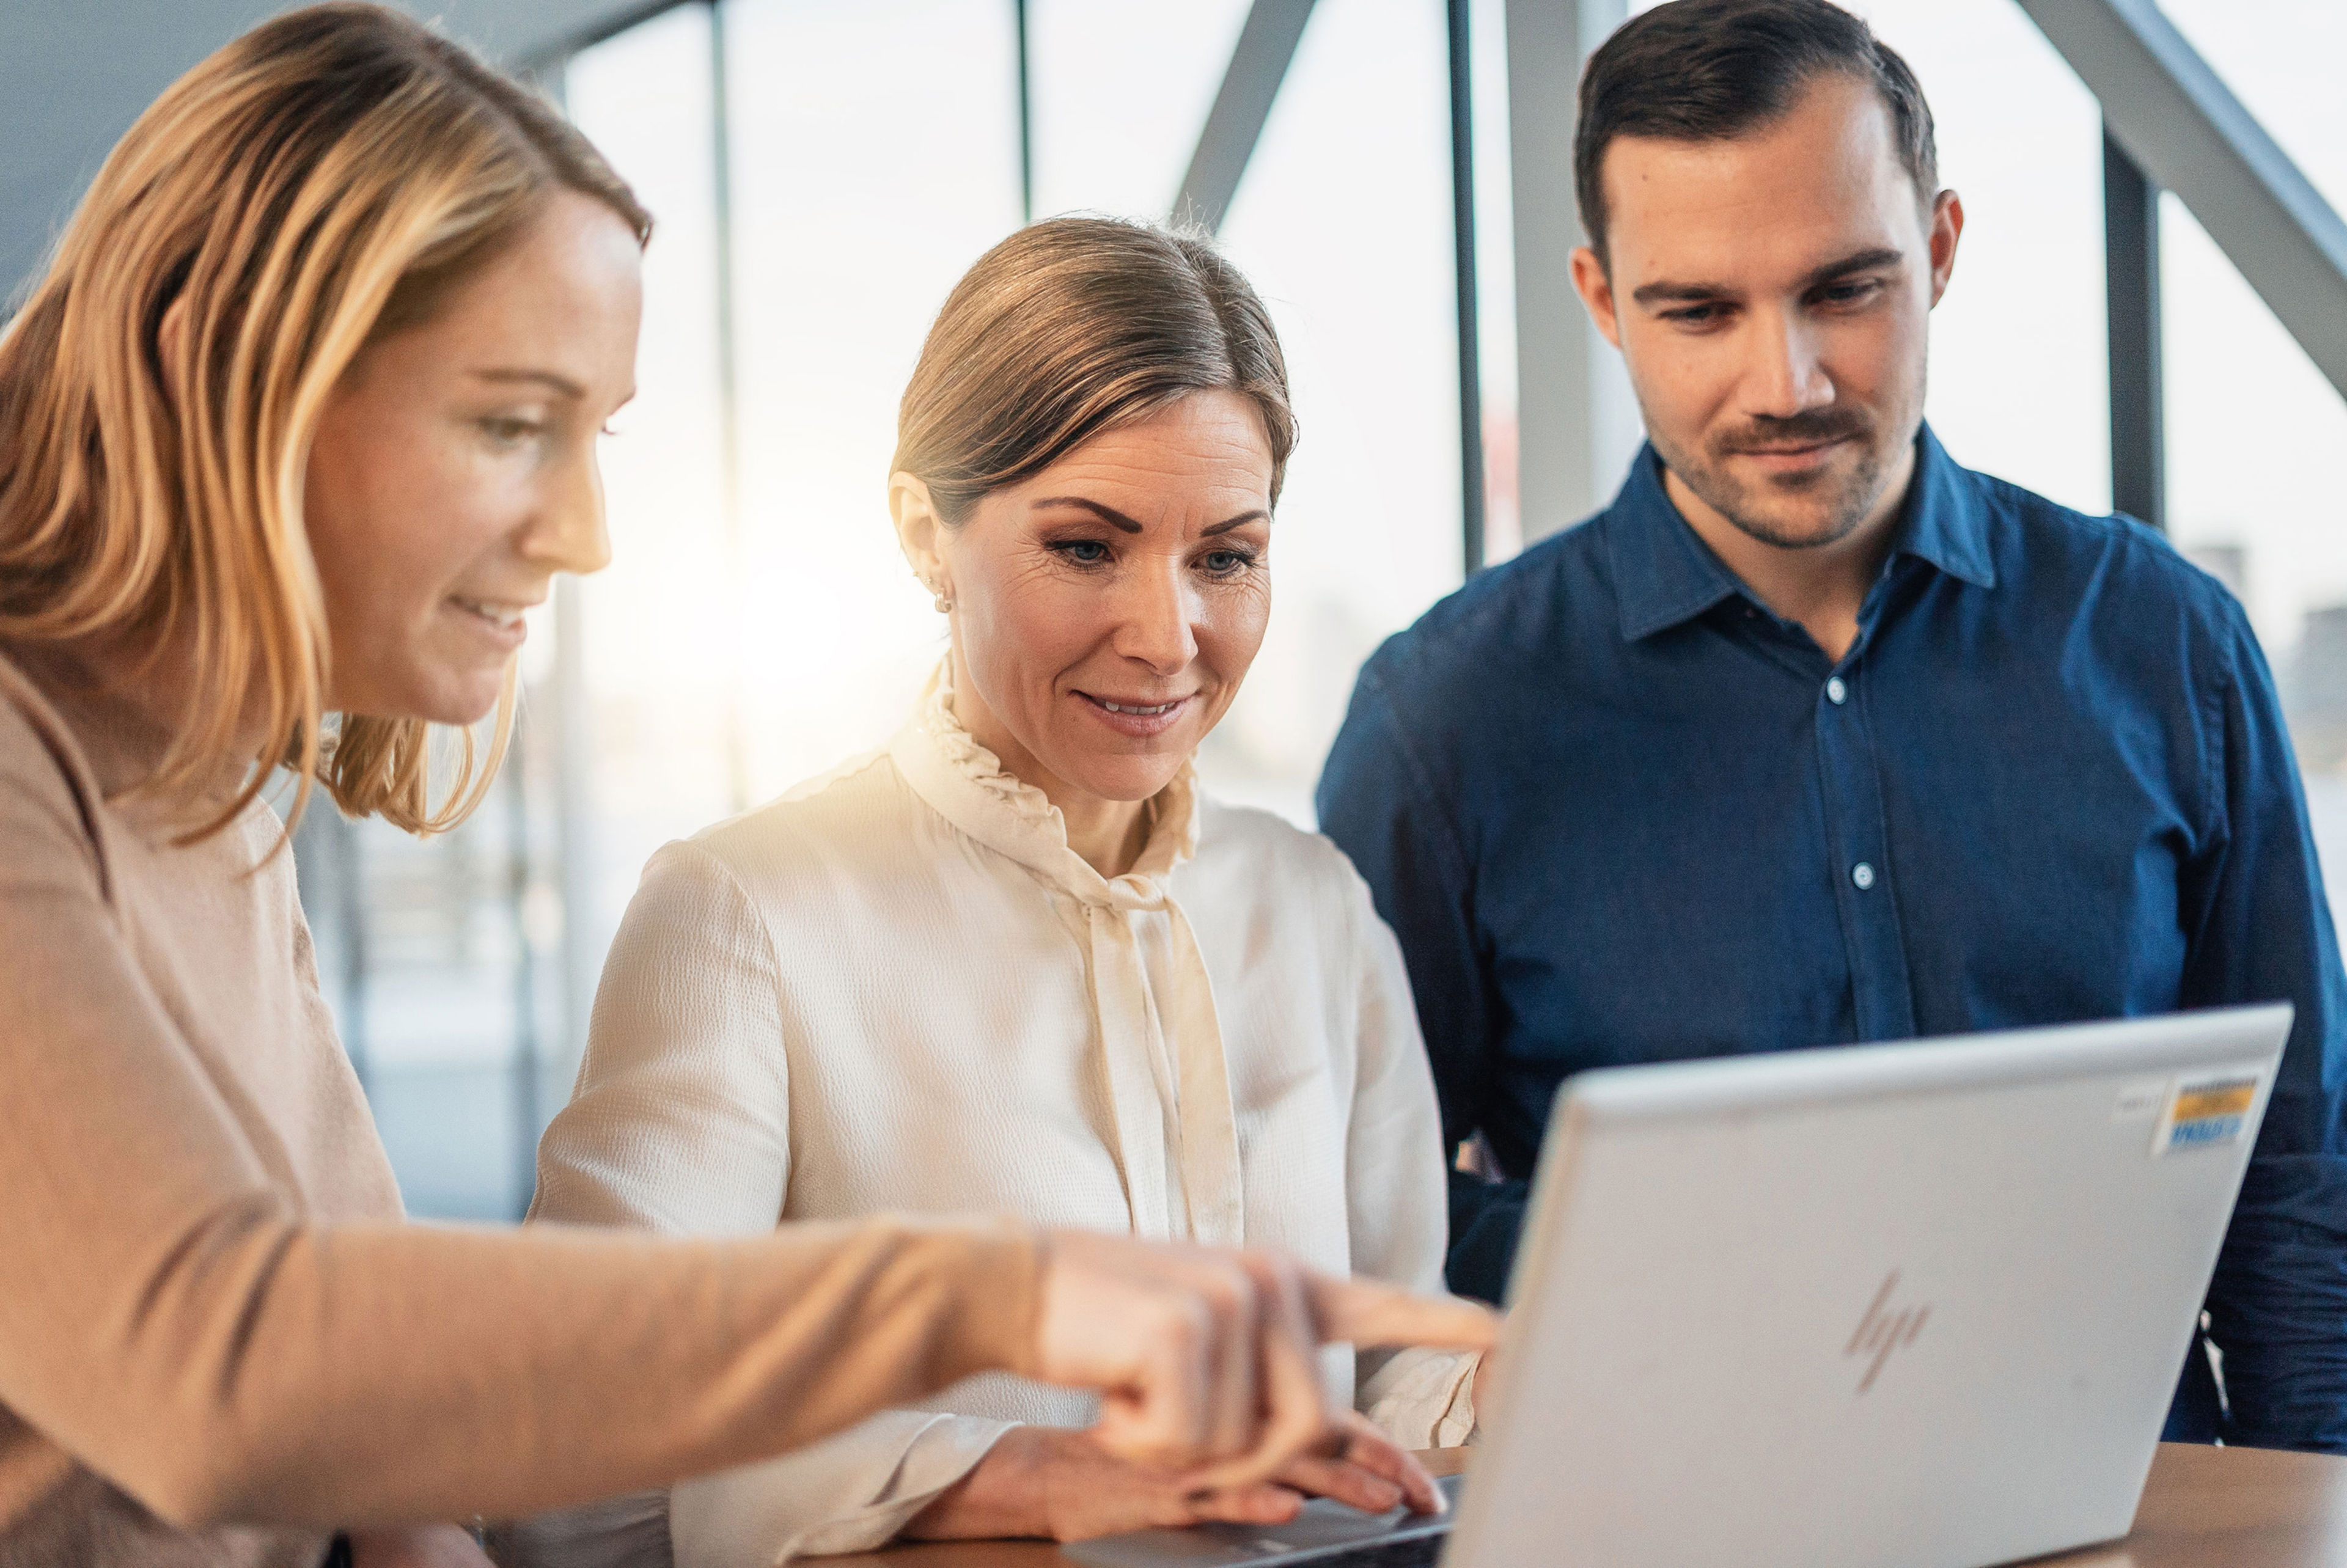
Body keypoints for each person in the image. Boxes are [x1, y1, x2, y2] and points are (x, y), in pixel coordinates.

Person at [0, 10, 1497, 1567]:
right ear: (231, 369)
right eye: (512, 423)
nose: (586, 533)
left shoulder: (216, 787)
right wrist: (989, 1306)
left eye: (595, 437)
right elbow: (230, 1372)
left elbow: (401, 1465)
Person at [1318, 0, 2347, 1454]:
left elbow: (2300, 1185)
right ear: (1602, 300)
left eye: (1845, 290)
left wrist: (2314, 1512)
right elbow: (1360, 1221)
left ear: (1937, 250)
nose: (1786, 383)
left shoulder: (2167, 644)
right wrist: (1658, 1256)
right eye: (1699, 311)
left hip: (2132, 1513)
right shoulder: (1449, 714)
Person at [509, 218, 1485, 1568]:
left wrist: (1524, 1387)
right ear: (925, 531)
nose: (1166, 636)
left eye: (1226, 556)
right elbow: (578, 1471)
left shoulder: (1312, 905)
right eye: (1087, 547)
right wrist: (1010, 1472)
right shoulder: (744, 912)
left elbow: (1388, 1366)